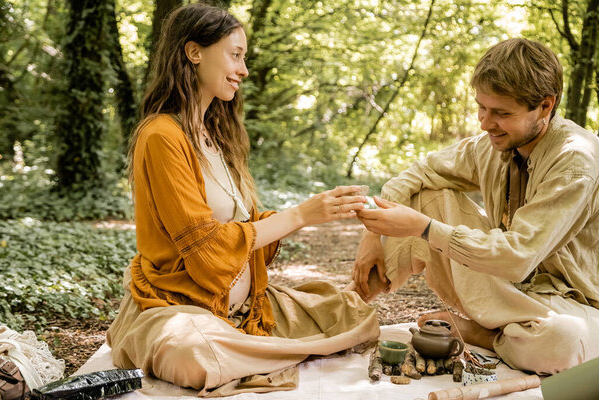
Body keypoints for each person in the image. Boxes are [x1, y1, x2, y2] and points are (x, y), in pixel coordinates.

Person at [106, 3, 379, 395]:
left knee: (355, 316)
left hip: (243, 310)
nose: (244, 70)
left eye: (244, 58)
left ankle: (259, 347)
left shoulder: (217, 135)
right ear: (194, 52)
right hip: (175, 307)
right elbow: (207, 249)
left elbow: (244, 228)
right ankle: (273, 350)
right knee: (194, 354)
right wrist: (301, 215)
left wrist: (319, 208)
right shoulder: (161, 136)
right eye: (235, 55)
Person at [352, 38, 599, 375]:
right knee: (427, 197)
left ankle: (479, 333)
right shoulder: (491, 145)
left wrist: (423, 228)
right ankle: (345, 308)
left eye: (501, 113)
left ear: (545, 106)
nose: (485, 122)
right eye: (481, 107)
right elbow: (420, 172)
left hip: (568, 304)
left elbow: (518, 256)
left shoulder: (575, 160)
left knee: (562, 341)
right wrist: (372, 235)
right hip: (508, 291)